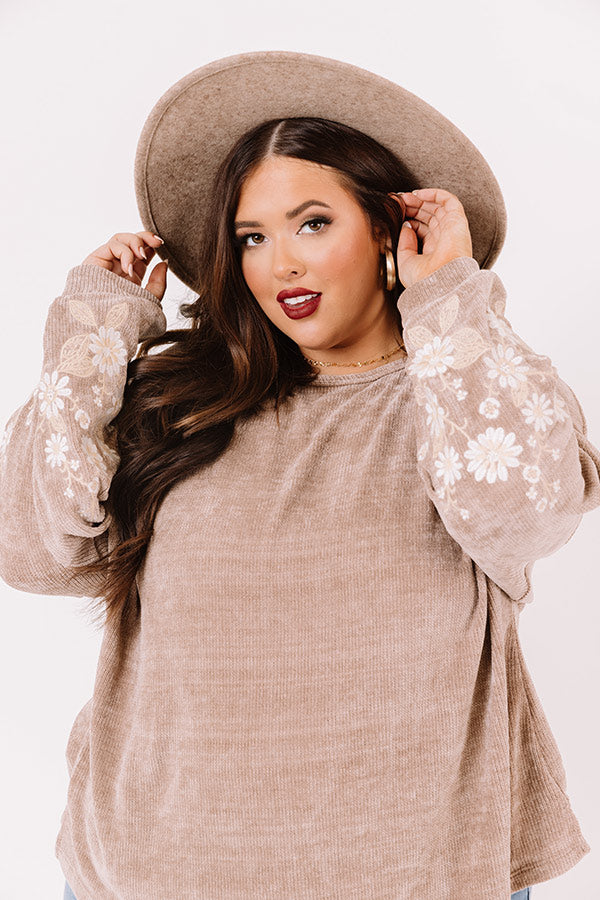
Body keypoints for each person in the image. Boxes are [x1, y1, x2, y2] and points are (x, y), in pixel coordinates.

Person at [1, 50, 598, 900]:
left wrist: (447, 298)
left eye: (312, 223)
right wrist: (96, 334)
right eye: (253, 237)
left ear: (389, 230)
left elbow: (526, 511)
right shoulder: (180, 404)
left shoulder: (468, 393)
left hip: (421, 875)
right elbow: (33, 550)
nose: (280, 262)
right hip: (159, 873)